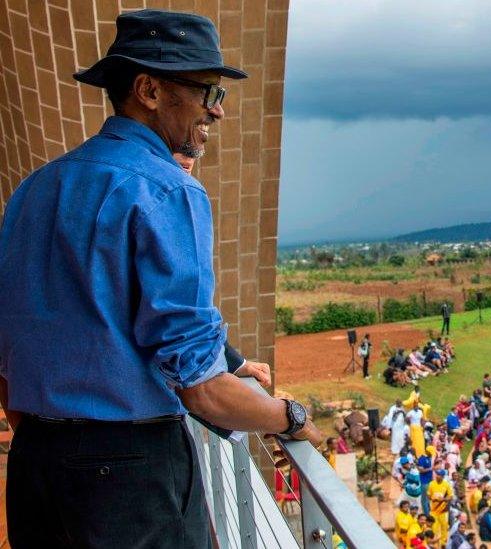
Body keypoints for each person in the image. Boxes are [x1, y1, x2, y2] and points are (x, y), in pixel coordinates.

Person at [0, 10, 324, 548]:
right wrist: (289, 417)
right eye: (206, 91)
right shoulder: (167, 189)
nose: (215, 111)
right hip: (127, 476)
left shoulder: (33, 190)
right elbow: (203, 390)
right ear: (149, 89)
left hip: (35, 461)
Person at [427, 468, 454, 544]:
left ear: (442, 476)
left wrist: (443, 499)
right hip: (434, 510)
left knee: (444, 527)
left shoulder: (446, 485)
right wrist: (432, 498)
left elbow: (451, 496)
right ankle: (434, 543)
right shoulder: (431, 484)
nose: (437, 476)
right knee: (434, 527)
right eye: (437, 474)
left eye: (439, 475)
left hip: (443, 511)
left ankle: (443, 543)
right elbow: (428, 494)